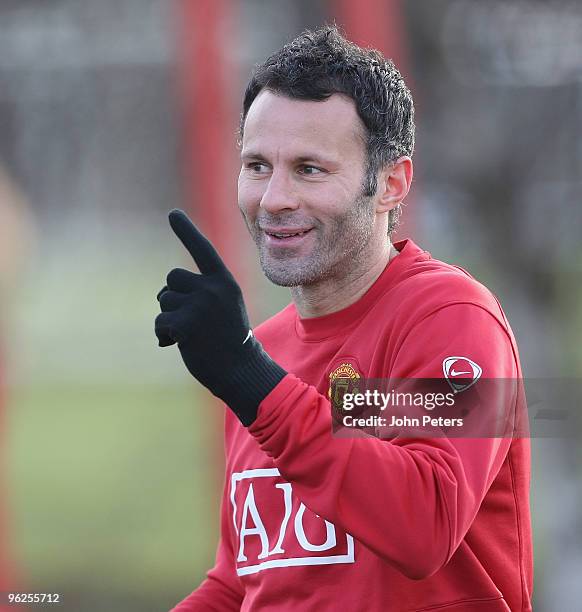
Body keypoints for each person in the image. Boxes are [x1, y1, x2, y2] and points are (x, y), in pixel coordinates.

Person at [155, 26, 533, 611]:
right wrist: (251, 374)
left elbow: (424, 524)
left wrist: (251, 381)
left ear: (391, 183)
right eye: (258, 165)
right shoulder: (261, 356)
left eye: (309, 169)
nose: (274, 197)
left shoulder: (455, 319)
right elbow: (244, 585)